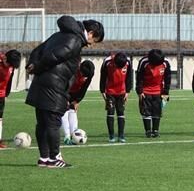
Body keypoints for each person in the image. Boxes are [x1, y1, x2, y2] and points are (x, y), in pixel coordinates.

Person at [26, 16, 104, 168]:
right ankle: (55, 158)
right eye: (95, 40)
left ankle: (44, 158)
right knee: (53, 122)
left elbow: (38, 50)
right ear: (91, 33)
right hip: (54, 85)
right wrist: (38, 67)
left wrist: (33, 64)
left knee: (42, 122)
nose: (91, 45)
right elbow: (55, 56)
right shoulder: (75, 39)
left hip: (42, 82)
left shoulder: (59, 35)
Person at [136, 49, 171, 138]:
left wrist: (166, 92)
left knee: (157, 111)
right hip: (145, 91)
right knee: (146, 112)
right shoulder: (144, 62)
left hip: (158, 92)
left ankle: (155, 131)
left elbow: (168, 78)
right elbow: (139, 77)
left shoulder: (165, 63)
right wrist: (140, 91)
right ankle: (148, 131)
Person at [100, 52, 133, 143]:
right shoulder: (107, 62)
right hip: (110, 92)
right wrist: (102, 91)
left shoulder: (128, 62)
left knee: (121, 112)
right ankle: (111, 136)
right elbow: (103, 76)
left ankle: (121, 135)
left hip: (122, 92)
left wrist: (128, 91)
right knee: (110, 112)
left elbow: (129, 77)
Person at [61, 60, 95, 145]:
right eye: (83, 75)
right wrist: (64, 98)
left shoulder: (89, 74)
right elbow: (62, 84)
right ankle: (67, 136)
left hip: (75, 93)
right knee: (64, 110)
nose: (84, 77)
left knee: (73, 110)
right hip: (63, 91)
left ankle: (74, 135)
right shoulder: (71, 70)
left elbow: (84, 88)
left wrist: (77, 101)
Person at [0, 49, 21, 148]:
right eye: (8, 64)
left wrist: (6, 94)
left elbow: (9, 80)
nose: (9, 66)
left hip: (1, 95)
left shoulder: (11, 67)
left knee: (0, 119)